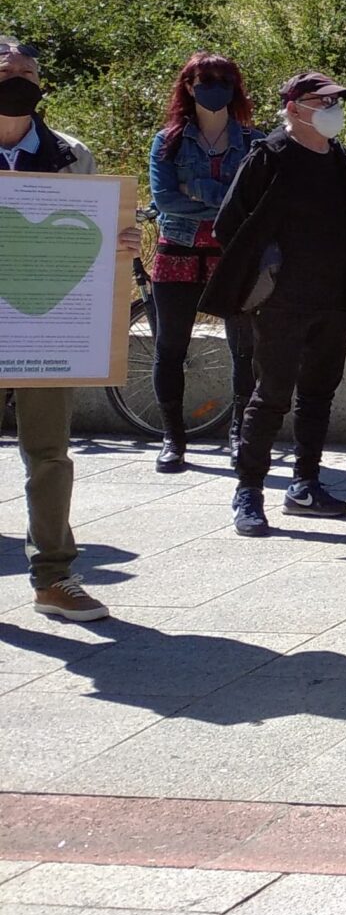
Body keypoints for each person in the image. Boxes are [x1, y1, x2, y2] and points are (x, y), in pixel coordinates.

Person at [0, 37, 144, 621]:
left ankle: (53, 578)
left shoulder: (70, 155)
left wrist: (121, 241)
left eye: (27, 72)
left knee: (50, 456)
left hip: (43, 333)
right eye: (6, 71)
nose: (17, 79)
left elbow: (90, 241)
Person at [205, 73, 346, 537]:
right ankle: (249, 492)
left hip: (332, 297)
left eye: (338, 100)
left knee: (319, 393)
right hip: (281, 301)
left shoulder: (338, 157)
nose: (335, 107)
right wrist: (266, 269)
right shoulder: (268, 156)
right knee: (271, 394)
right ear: (295, 108)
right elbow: (228, 225)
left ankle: (306, 485)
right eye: (324, 100)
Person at [143, 52, 258, 475]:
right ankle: (173, 439)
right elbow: (166, 201)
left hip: (232, 255)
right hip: (179, 250)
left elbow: (254, 202)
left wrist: (200, 192)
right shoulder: (167, 141)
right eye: (204, 79)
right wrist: (226, 198)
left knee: (244, 350)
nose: (214, 87)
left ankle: (238, 434)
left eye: (223, 79)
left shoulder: (252, 140)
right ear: (188, 86)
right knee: (170, 347)